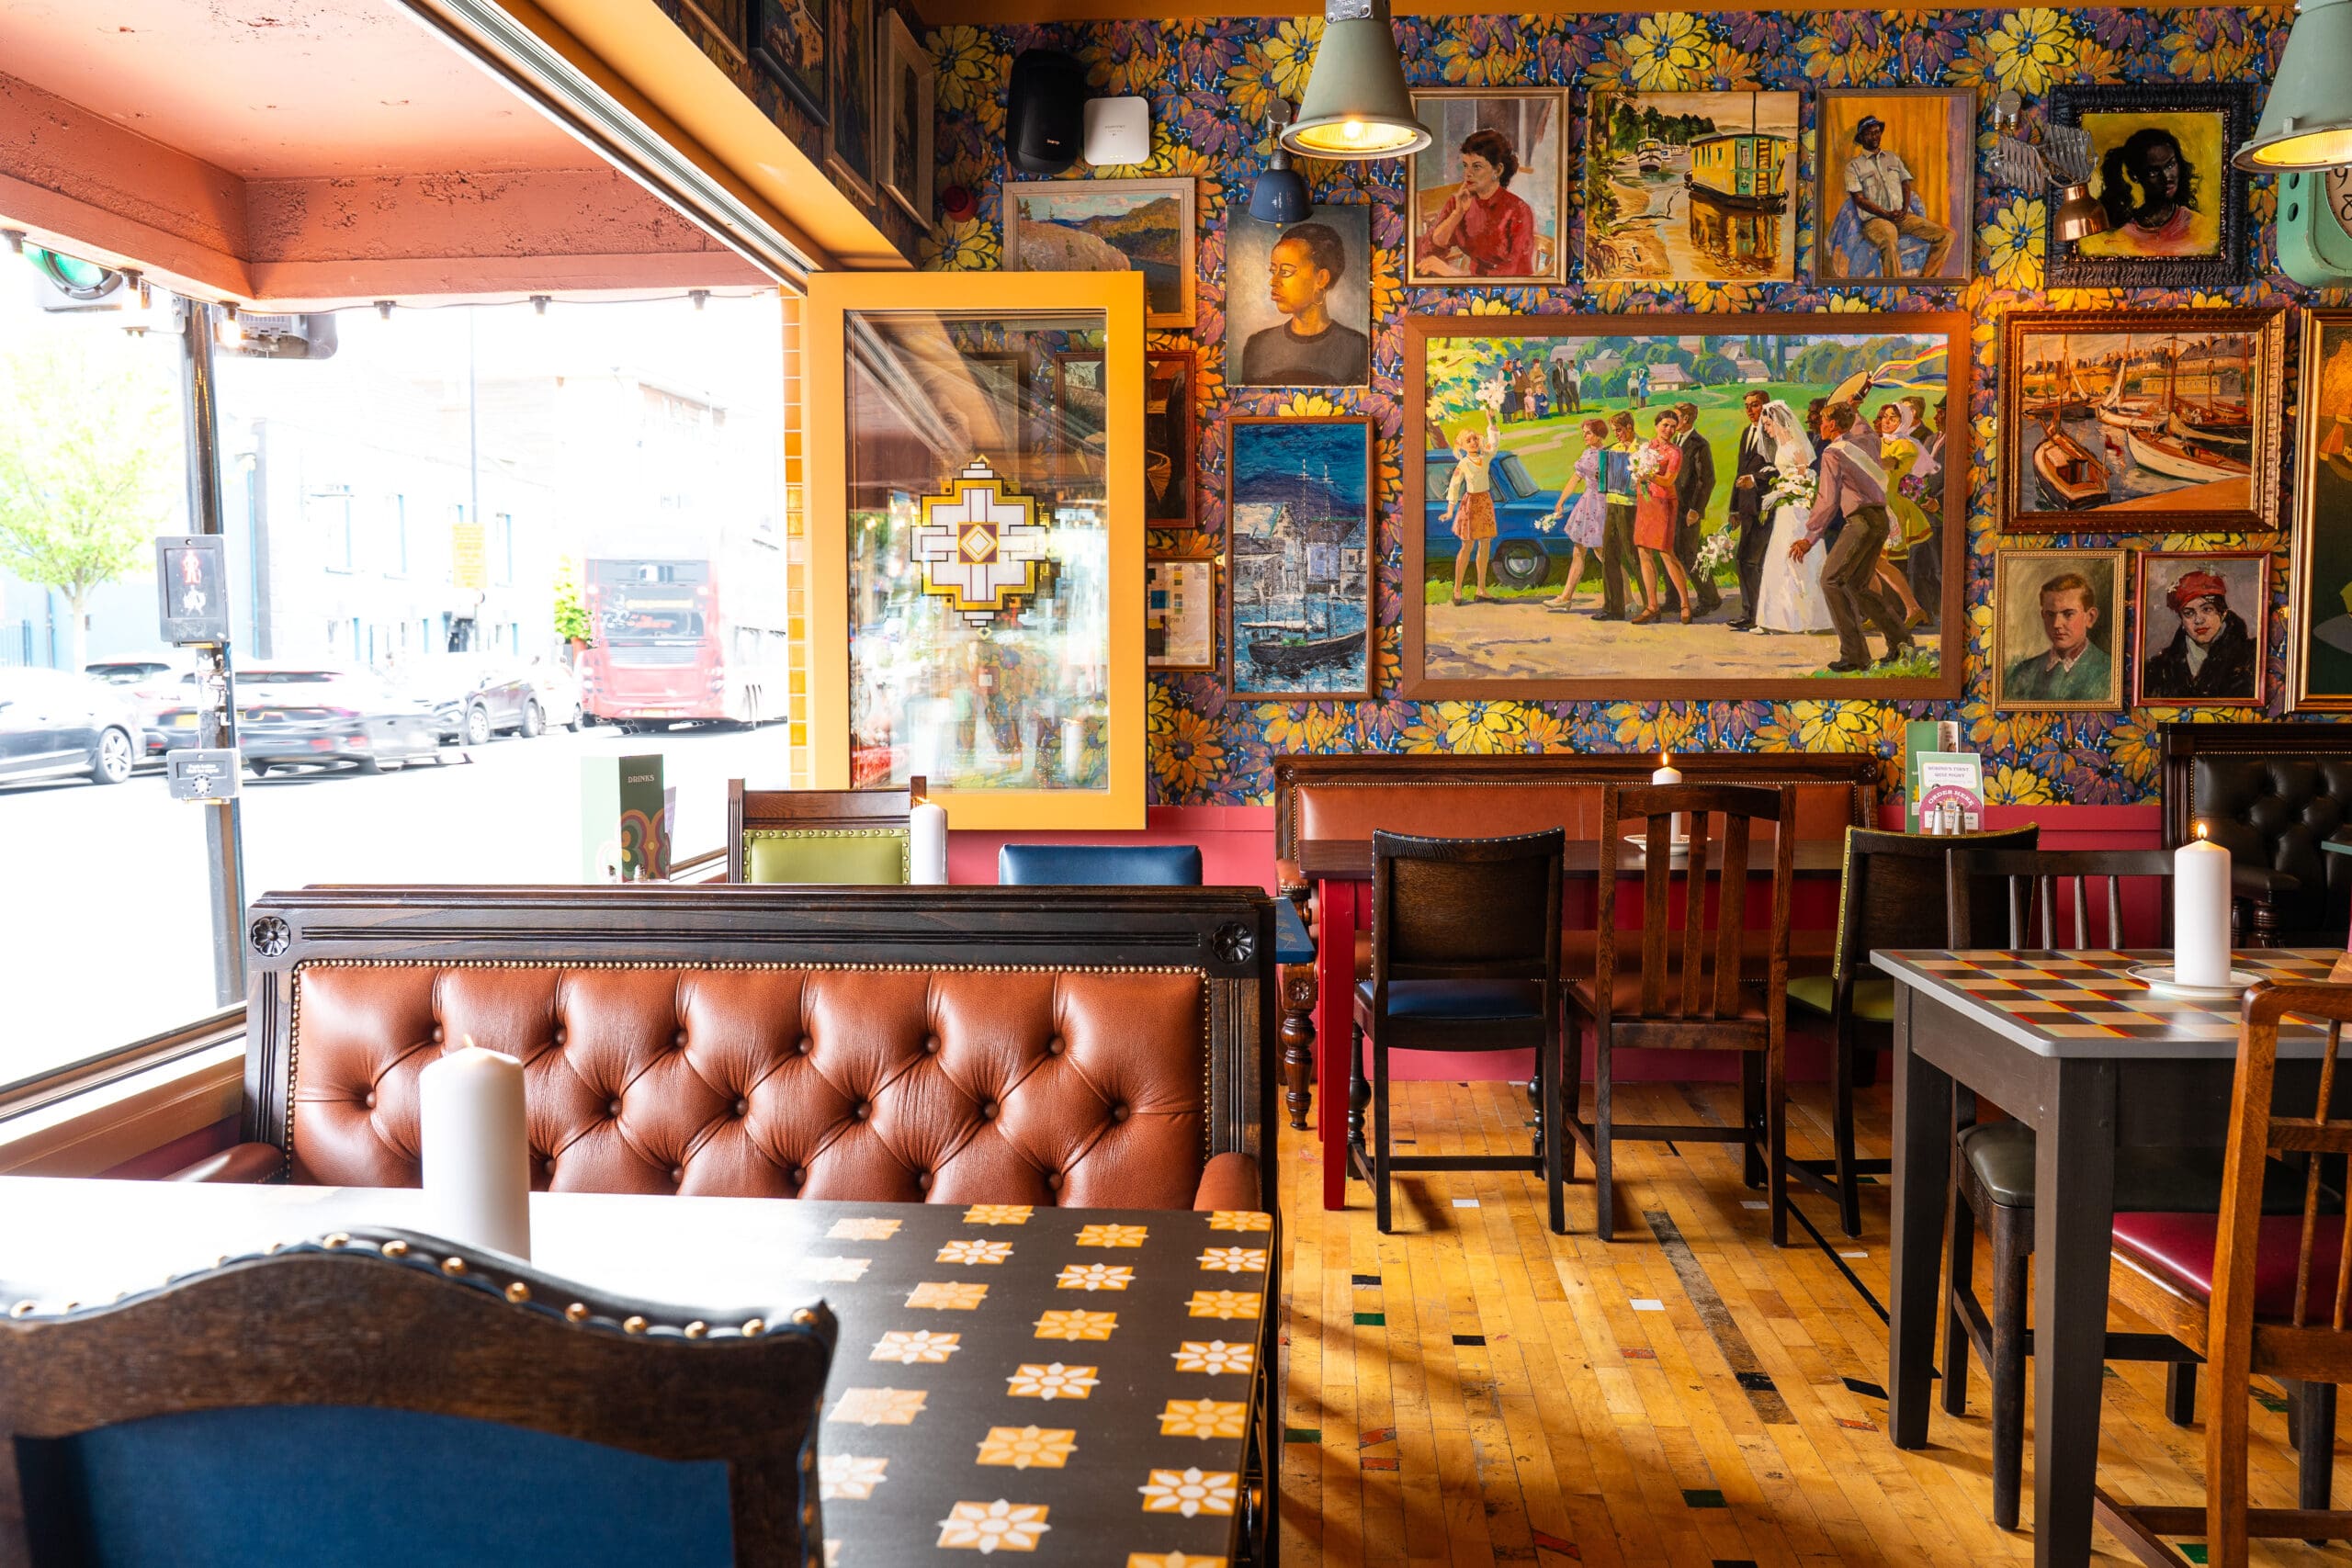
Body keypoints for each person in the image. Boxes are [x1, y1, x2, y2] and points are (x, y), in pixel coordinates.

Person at [1791, 400, 1911, 671]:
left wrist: (1809, 538)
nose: (1818, 425)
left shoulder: (1833, 453)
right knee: (1858, 586)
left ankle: (1855, 655)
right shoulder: (1867, 441)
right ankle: (1901, 642)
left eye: (1822, 421)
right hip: (1879, 520)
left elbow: (1827, 500)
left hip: (1860, 523)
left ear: (1833, 425)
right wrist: (1854, 408)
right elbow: (1864, 427)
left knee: (1830, 581)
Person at [1239, 220, 1370, 386]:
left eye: (1285, 272)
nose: (1273, 281)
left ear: (1321, 279)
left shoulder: (1356, 347)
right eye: (1273, 271)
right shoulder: (1258, 345)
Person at [1832, 114, 1953, 279]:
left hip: (1902, 216)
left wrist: (1904, 210)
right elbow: (1859, 200)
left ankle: (1925, 281)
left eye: (1877, 132)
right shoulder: (1853, 166)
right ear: (1861, 137)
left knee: (1946, 236)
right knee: (1889, 242)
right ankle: (1895, 289)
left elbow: (1906, 184)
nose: (1875, 136)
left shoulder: (1892, 158)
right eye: (1869, 133)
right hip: (1875, 220)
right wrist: (1885, 214)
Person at [1750, 400, 1835, 637]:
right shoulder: (1780, 446)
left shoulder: (1796, 445)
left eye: (1768, 424)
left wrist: (1781, 491)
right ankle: (1778, 618)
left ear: (1778, 421)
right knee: (1779, 558)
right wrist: (1776, 484)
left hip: (1798, 509)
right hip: (1786, 510)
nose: (1766, 429)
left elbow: (1804, 479)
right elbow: (1786, 474)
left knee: (1797, 561)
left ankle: (1807, 619)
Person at [1419, 128, 1539, 277]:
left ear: (1498, 170)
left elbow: (1518, 273)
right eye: (1465, 165)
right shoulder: (1460, 201)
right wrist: (1457, 214)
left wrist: (1456, 275)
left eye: (1477, 166)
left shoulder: (1518, 210)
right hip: (1471, 281)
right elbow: (1431, 247)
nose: (1467, 173)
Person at [2142, 568, 2257, 701]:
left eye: (2207, 609)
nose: (2198, 620)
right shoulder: (2159, 668)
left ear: (2223, 613)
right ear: (2182, 620)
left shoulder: (2251, 656)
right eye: (2189, 613)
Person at [1630, 409, 1695, 626]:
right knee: (1643, 551)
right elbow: (1637, 471)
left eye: (1672, 426)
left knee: (1666, 552)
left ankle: (1685, 604)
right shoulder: (1646, 447)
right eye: (1665, 425)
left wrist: (1648, 474)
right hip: (1646, 503)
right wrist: (1639, 474)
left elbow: (1668, 480)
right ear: (1656, 425)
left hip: (1664, 504)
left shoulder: (1674, 452)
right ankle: (1652, 606)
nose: (1668, 430)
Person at [2004, 571, 2113, 702]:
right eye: (2050, 614)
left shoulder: (2109, 672)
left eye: (2068, 614)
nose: (2056, 624)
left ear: (2090, 617)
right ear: (2043, 615)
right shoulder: (2021, 673)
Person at [2097, 126, 2204, 256]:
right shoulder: (2122, 235)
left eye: (2170, 165)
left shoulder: (2197, 226)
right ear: (2134, 176)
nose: (2167, 177)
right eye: (2153, 172)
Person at [1871, 402, 1933, 628]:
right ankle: (1890, 611)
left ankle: (1910, 609)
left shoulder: (1906, 446)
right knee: (1873, 563)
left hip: (1889, 505)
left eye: (1893, 418)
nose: (1886, 422)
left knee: (1877, 562)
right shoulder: (1878, 442)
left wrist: (1859, 455)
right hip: (1873, 502)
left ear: (1904, 422)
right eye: (1884, 417)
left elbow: (1887, 465)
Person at [1541, 418, 1611, 613]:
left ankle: (1627, 598)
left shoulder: (1606, 454)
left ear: (1599, 434)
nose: (1585, 437)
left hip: (1599, 506)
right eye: (1584, 433)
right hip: (1587, 504)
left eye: (1588, 433)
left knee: (1603, 553)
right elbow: (1575, 479)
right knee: (1578, 551)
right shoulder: (1587, 454)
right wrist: (1561, 501)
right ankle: (1566, 597)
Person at [1663, 399, 1722, 617]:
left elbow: (1707, 480)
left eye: (1675, 416)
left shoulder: (1699, 444)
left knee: (1689, 555)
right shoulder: (1674, 440)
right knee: (1669, 551)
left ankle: (1709, 598)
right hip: (1672, 506)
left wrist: (1696, 510)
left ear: (1685, 419)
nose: (1670, 421)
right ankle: (1672, 599)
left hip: (1689, 510)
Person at [1727, 389, 1777, 630]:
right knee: (1744, 560)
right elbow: (1739, 471)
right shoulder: (1747, 432)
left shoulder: (1774, 433)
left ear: (1766, 406)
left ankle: (1760, 614)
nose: (1750, 410)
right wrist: (1734, 508)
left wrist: (1756, 481)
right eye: (1747, 405)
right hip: (1747, 506)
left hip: (1767, 506)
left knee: (1753, 561)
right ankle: (1751, 612)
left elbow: (1780, 470)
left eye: (1755, 405)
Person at [1442, 408, 1501, 605]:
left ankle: (1481, 588)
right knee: (1467, 545)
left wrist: (1490, 421)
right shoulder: (1464, 464)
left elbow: (1494, 444)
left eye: (1475, 438)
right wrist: (1450, 510)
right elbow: (1454, 486)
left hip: (1485, 502)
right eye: (1469, 440)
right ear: (1462, 445)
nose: (1474, 442)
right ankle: (1457, 590)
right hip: (1470, 504)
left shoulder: (1485, 458)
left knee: (1485, 545)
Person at [1594, 410, 1640, 620]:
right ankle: (1613, 607)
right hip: (1612, 503)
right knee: (1609, 555)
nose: (1617, 435)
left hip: (1632, 505)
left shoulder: (1643, 447)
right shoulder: (1614, 450)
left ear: (1630, 427)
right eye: (1614, 431)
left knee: (1634, 555)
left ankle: (1650, 605)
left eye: (1619, 430)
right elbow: (1605, 476)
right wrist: (1601, 475)